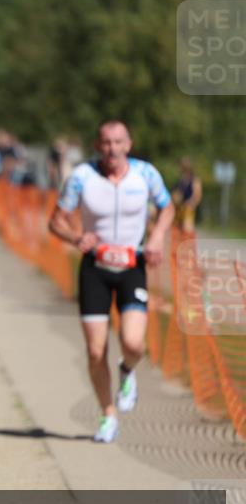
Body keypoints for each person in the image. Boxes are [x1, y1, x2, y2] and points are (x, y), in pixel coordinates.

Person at [48, 120, 174, 443]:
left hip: (133, 265)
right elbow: (56, 221)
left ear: (128, 144)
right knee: (94, 351)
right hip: (95, 268)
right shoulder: (81, 177)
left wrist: (158, 237)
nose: (112, 149)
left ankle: (127, 370)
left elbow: (167, 207)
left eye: (118, 142)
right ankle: (108, 415)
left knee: (134, 344)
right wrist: (77, 237)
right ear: (97, 145)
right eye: (106, 142)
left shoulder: (146, 174)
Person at [172, 157, 202, 233]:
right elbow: (177, 193)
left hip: (189, 207)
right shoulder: (181, 179)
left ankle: (188, 243)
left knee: (187, 227)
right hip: (179, 206)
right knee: (176, 228)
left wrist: (191, 203)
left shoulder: (194, 179)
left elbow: (197, 195)